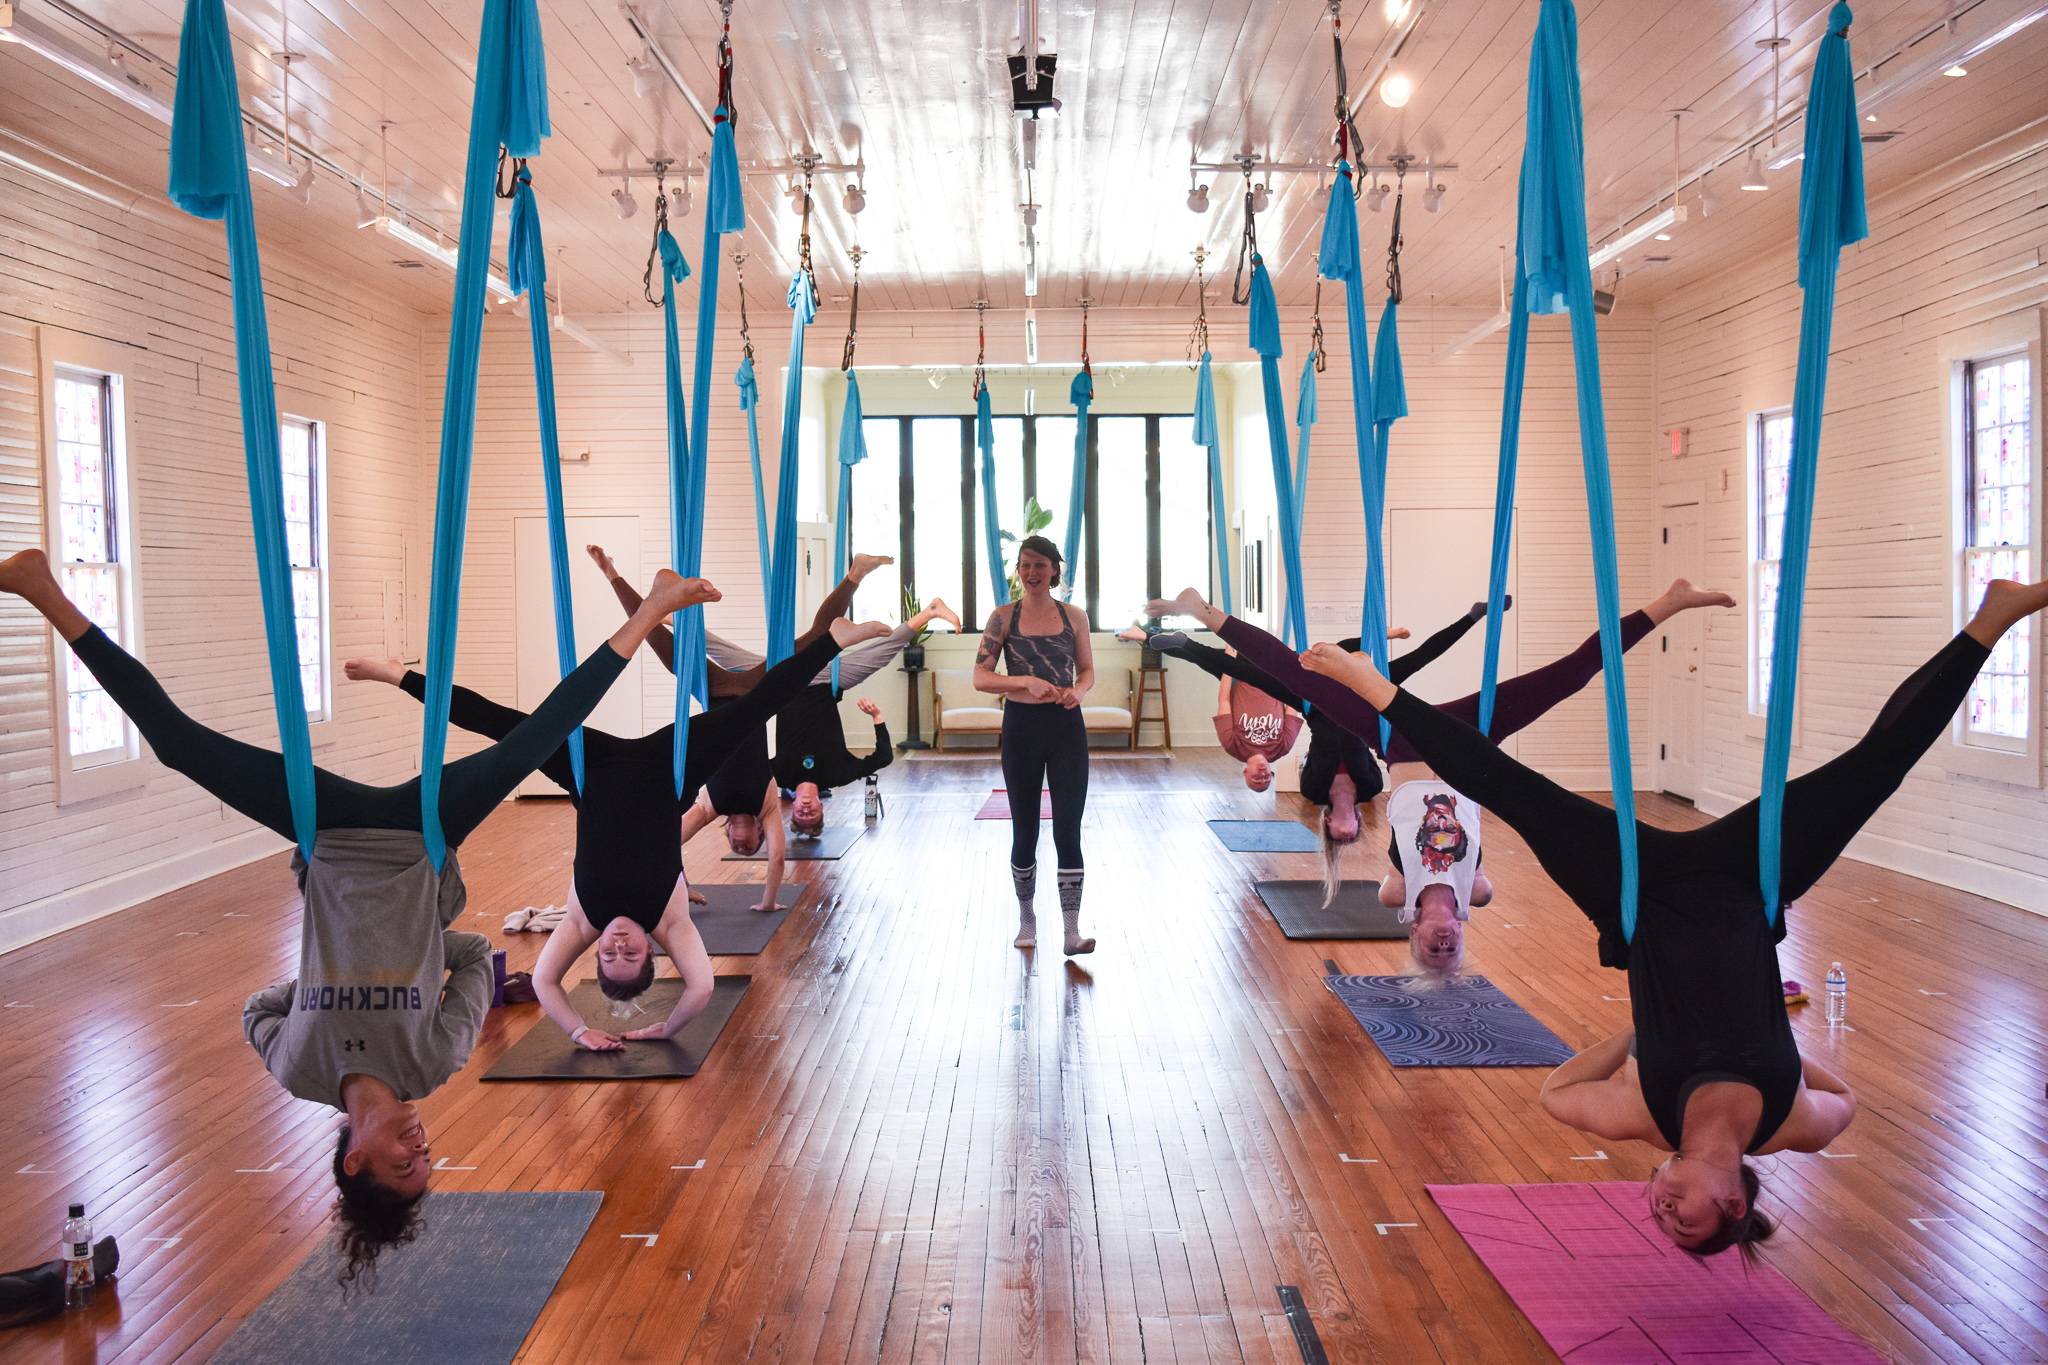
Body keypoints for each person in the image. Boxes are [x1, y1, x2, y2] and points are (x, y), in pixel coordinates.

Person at [0, 546, 711, 1292]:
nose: (420, 1143)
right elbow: (473, 959)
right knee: (536, 739)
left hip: (326, 833)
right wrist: (410, 936)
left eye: (403, 1160)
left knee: (176, 746)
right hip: (424, 832)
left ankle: (42, 589)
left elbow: (260, 1006)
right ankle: (650, 611)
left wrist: (327, 964)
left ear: (354, 1156)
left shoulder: (296, 1065)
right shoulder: (431, 1061)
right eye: (426, 1159)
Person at [1301, 575, 2048, 1257]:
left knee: (1510, 788)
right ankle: (1992, 619)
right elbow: (1845, 1101)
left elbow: (1554, 1093)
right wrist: (1788, 1047)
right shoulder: (1790, 1123)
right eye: (1682, 1216)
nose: (1659, 1206)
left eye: (1658, 1218)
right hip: (1747, 887)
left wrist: (1632, 1033)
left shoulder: (1648, 1114)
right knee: (1875, 767)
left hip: (1637, 896)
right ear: (1730, 1201)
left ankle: (1377, 691)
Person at [346, 612, 893, 1053]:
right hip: (671, 769)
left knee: (504, 727)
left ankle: (399, 674)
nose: (620, 947)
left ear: (599, 952)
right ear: (651, 957)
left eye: (609, 957)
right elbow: (700, 989)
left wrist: (579, 1031)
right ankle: (831, 643)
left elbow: (543, 984)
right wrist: (664, 1029)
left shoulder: (584, 921)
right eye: (631, 957)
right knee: (754, 708)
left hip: (591, 771)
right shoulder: (669, 921)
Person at [1150, 581, 1733, 940]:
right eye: (1450, 951)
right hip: (1471, 745)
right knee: (1571, 675)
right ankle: (1669, 603)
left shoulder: (1394, 894)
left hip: (1399, 737)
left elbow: (1384, 884)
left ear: (1414, 932)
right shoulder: (1475, 891)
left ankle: (1210, 615)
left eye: (1430, 951)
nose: (1442, 947)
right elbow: (1480, 888)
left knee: (1295, 674)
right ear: (1458, 929)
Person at [588, 544, 959, 841]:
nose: (806, 809)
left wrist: (681, 878)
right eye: (812, 815)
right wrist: (878, 718)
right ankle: (899, 607)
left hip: (754, 687)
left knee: (682, 649)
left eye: (800, 814)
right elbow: (880, 759)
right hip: (798, 683)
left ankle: (641, 593)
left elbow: (685, 833)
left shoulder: (751, 789)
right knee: (841, 646)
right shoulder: (817, 781)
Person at [1119, 607, 1497, 896]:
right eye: (1352, 838)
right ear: (1360, 825)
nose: (1346, 835)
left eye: (1337, 837)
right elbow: (1398, 793)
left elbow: (1311, 744)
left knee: (1253, 671)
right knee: (1416, 659)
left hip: (1316, 706)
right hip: (1363, 703)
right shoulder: (1371, 787)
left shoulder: (1313, 791)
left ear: (1328, 826)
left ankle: (1184, 644)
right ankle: (1474, 616)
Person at [974, 536, 1096, 955]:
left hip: (1066, 729)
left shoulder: (1074, 616)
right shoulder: (1002, 617)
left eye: (1040, 565)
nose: (1031, 573)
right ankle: (1027, 921)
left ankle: (1070, 932)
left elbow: (1087, 671)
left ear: (1054, 569)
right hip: (1022, 728)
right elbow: (981, 677)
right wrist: (1023, 681)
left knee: (1068, 829)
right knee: (1024, 830)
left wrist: (1079, 691)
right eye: (1024, 565)